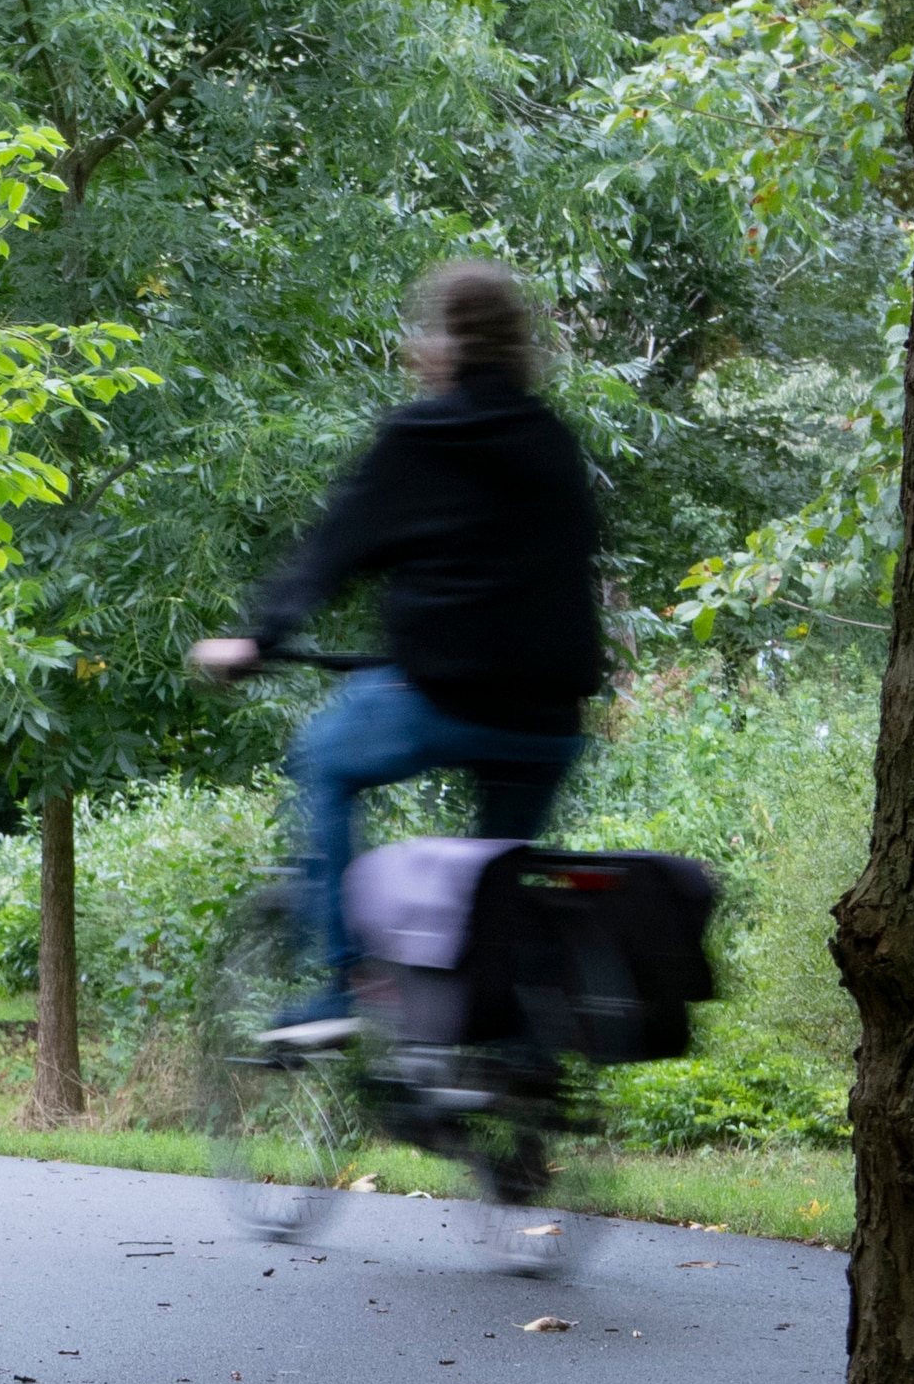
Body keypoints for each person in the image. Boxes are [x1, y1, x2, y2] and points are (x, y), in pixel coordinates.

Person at [191, 257, 606, 1041]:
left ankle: (342, 980)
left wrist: (257, 640)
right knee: (495, 878)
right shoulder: (552, 439)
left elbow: (332, 552)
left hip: (443, 701)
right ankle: (501, 1068)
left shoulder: (421, 437)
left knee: (322, 756)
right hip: (550, 720)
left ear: (446, 346)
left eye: (423, 333)